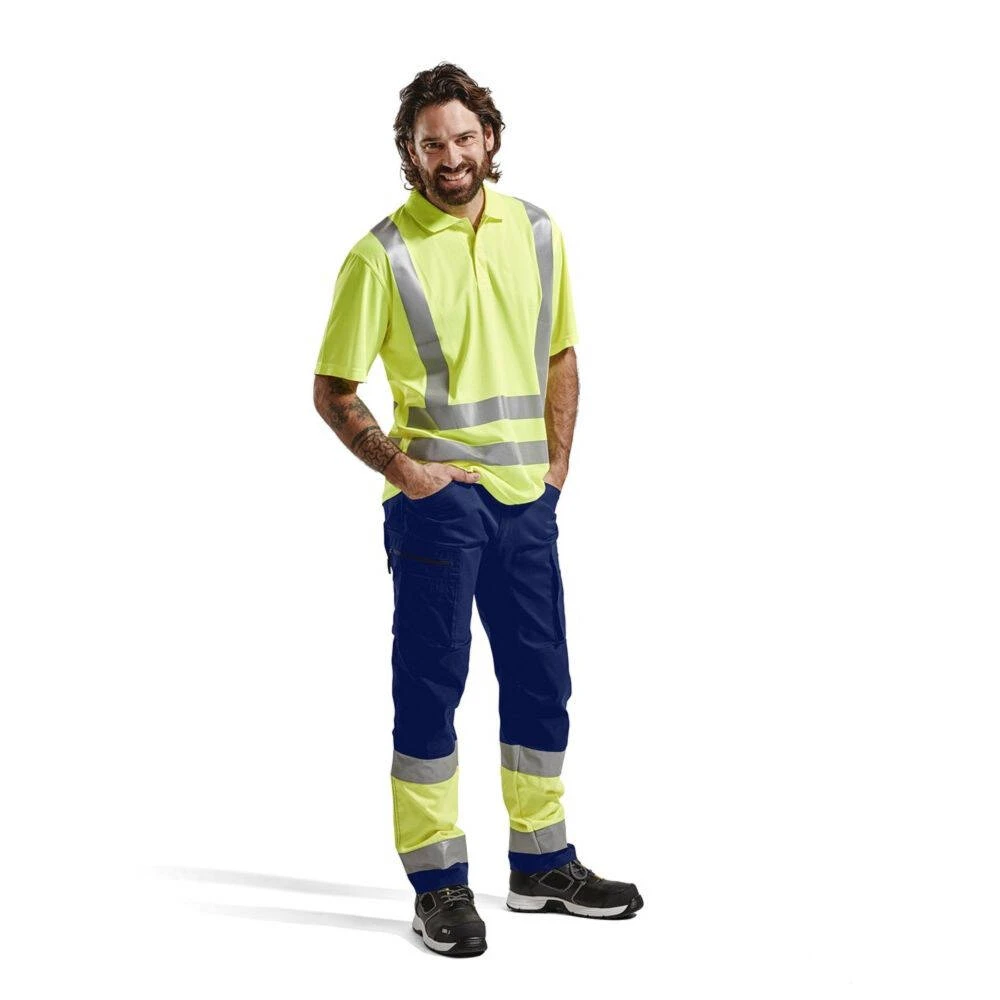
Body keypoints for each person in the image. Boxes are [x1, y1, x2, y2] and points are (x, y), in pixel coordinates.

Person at [313, 62, 643, 957]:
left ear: (489, 138)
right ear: (410, 152)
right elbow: (333, 389)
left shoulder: (537, 231)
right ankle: (439, 883)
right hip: (437, 509)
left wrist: (557, 466)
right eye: (433, 143)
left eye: (465, 137)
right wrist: (405, 470)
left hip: (528, 503)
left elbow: (561, 354)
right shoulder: (379, 255)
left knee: (542, 680)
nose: (451, 155)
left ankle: (543, 865)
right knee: (431, 689)